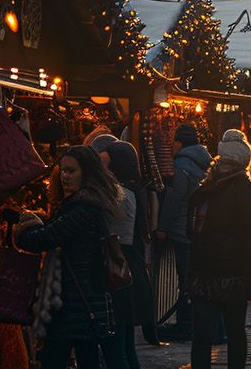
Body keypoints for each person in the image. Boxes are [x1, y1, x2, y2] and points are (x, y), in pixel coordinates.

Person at [13, 146, 128, 369]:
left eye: (71, 171)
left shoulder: (83, 208)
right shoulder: (85, 205)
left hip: (76, 304)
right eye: (62, 171)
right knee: (87, 358)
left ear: (86, 173)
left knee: (55, 359)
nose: (65, 176)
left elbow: (45, 239)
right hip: (82, 301)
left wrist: (24, 227)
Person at [187, 130, 251, 369]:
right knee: (220, 334)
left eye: (228, 162)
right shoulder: (229, 188)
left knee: (216, 335)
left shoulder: (218, 189)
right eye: (224, 161)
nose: (224, 166)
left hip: (219, 273)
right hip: (220, 273)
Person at [157, 124, 211, 340]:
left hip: (181, 229)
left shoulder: (181, 166)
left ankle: (185, 323)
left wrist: (162, 226)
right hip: (200, 229)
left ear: (180, 142)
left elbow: (174, 198)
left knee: (185, 278)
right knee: (193, 276)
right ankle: (192, 321)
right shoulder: (206, 163)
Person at [104, 141, 152, 366]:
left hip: (121, 267)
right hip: (132, 265)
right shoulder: (137, 188)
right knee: (126, 340)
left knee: (120, 339)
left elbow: (117, 234)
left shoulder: (122, 194)